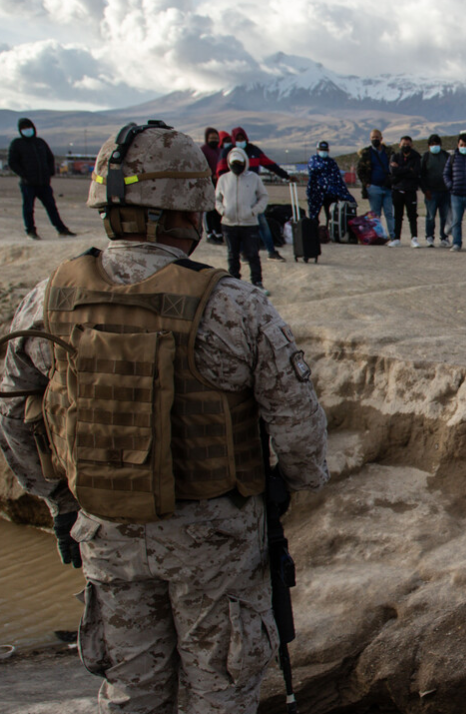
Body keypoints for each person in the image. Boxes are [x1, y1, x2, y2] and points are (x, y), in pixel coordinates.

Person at [0, 122, 329, 714]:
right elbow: (300, 429)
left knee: (130, 695)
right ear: (187, 212)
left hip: (105, 531)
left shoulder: (50, 296)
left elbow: (14, 416)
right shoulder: (235, 304)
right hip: (215, 541)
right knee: (220, 694)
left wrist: (58, 501)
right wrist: (287, 486)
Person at [216, 127, 289, 262]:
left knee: (262, 224)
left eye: (242, 139)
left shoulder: (254, 151)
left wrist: (286, 176)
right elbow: (220, 171)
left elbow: (269, 164)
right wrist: (226, 190)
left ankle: (271, 251)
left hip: (252, 196)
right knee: (237, 227)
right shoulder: (229, 152)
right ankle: (243, 253)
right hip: (233, 197)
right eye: (237, 139)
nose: (240, 141)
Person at [7, 117, 75, 240]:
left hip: (43, 182)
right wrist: (24, 174)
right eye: (24, 128)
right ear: (20, 130)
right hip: (28, 183)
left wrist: (50, 172)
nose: (27, 130)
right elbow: (12, 162)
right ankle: (31, 231)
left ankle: (61, 229)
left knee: (51, 207)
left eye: (29, 127)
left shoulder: (40, 142)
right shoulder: (17, 144)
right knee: (28, 208)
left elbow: (50, 158)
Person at [215, 146, 271, 294]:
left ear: (244, 162)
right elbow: (217, 199)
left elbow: (263, 196)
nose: (236, 167)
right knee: (232, 255)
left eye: (239, 164)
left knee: (253, 254)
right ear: (229, 163)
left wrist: (254, 211)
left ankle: (257, 283)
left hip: (249, 223)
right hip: (229, 223)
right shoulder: (224, 179)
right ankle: (234, 283)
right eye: (234, 164)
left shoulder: (253, 178)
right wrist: (223, 211)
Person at [355, 129, 396, 242]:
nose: (375, 140)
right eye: (373, 138)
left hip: (388, 187)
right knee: (375, 214)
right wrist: (366, 183)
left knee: (389, 213)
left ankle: (393, 236)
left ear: (381, 138)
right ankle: (378, 235)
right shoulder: (366, 154)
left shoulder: (388, 152)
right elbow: (360, 169)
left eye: (377, 137)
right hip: (374, 187)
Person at [305, 140, 354, 224]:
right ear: (317, 150)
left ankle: (330, 232)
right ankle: (315, 232)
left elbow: (337, 178)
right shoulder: (313, 160)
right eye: (321, 150)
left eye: (325, 150)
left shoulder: (332, 162)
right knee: (314, 216)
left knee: (331, 215)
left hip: (330, 193)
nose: (323, 152)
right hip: (316, 192)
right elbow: (314, 171)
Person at [389, 135, 423, 248]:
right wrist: (408, 169)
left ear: (412, 145)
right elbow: (393, 171)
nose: (405, 146)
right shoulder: (394, 157)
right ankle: (396, 238)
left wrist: (400, 169)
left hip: (410, 190)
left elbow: (416, 173)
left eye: (408, 145)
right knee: (397, 216)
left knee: (412, 216)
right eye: (403, 144)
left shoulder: (416, 157)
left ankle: (414, 238)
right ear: (399, 145)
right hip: (397, 190)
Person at [420, 134, 452, 247]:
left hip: (445, 191)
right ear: (429, 145)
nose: (435, 146)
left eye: (437, 144)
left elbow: (451, 172)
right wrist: (425, 190)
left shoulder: (446, 156)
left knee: (444, 216)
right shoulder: (426, 157)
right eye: (432, 144)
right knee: (430, 216)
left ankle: (444, 237)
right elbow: (421, 175)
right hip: (431, 192)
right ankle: (429, 237)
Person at [199, 127, 224, 244]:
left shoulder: (219, 150)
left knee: (217, 209)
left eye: (216, 138)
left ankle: (218, 232)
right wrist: (210, 175)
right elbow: (201, 167)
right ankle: (209, 233)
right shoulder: (203, 150)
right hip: (208, 183)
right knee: (209, 209)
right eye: (211, 138)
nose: (214, 140)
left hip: (219, 183)